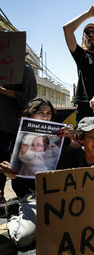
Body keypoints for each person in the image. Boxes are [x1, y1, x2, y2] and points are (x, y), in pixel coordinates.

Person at [0, 98, 75, 248]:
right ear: (30, 115)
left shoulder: (59, 136)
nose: (46, 117)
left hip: (55, 194)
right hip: (30, 196)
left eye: (48, 113)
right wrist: (8, 172)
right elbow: (13, 173)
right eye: (41, 113)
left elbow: (80, 145)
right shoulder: (18, 139)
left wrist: (72, 136)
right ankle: (14, 213)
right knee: (24, 238)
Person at [0, 50, 37, 206]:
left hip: (13, 128)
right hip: (2, 126)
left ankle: (26, 198)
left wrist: (2, 90)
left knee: (19, 168)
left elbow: (29, 97)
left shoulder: (25, 69)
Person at [63, 5, 94, 124]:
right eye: (87, 32)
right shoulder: (81, 56)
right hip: (85, 107)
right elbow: (67, 29)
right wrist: (88, 14)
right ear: (83, 37)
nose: (91, 34)